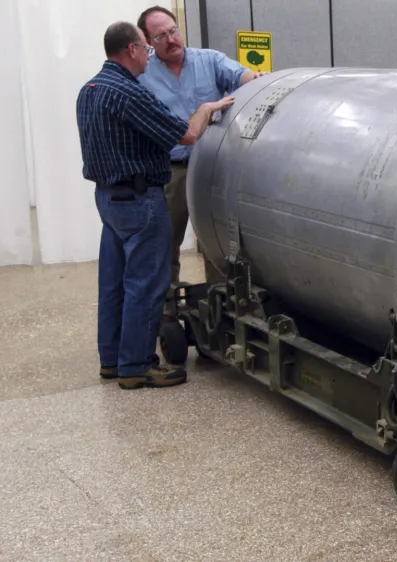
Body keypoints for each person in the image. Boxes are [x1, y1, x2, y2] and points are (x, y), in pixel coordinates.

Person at [76, 21, 234, 390]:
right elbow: (187, 133)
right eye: (146, 49)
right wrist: (207, 107)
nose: (150, 56)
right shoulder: (129, 93)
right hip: (140, 201)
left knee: (114, 283)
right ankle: (137, 366)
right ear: (131, 49)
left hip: (108, 198)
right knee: (146, 284)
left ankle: (112, 361)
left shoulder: (90, 89)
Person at [136, 6, 265, 296]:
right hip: (171, 172)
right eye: (161, 36)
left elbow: (240, 76)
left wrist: (256, 79)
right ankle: (167, 309)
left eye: (173, 31)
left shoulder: (209, 61)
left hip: (211, 166)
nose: (171, 39)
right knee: (164, 242)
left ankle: (219, 307)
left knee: (217, 239)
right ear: (148, 43)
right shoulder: (144, 75)